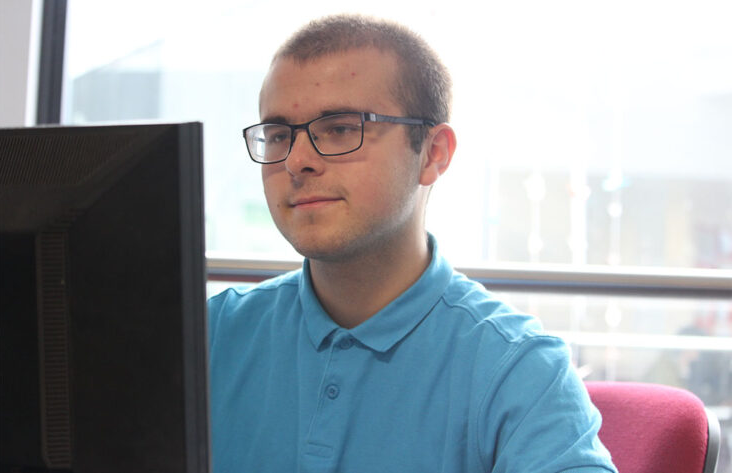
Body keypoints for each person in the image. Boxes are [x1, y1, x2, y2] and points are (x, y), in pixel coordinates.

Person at [208, 14, 617, 472]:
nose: (297, 160)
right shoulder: (209, 335)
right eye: (280, 135)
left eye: (341, 128)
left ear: (432, 154)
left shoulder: (519, 370)